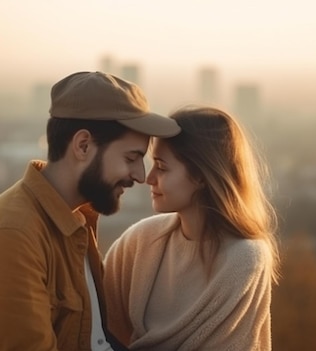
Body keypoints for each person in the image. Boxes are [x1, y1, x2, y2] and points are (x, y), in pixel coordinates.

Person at [0, 71, 180, 351]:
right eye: (131, 158)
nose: (140, 175)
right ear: (83, 145)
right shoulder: (13, 237)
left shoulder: (75, 220)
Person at [103, 106, 280, 351]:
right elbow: (94, 328)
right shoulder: (139, 240)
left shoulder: (243, 258)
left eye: (162, 168)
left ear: (200, 176)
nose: (148, 178)